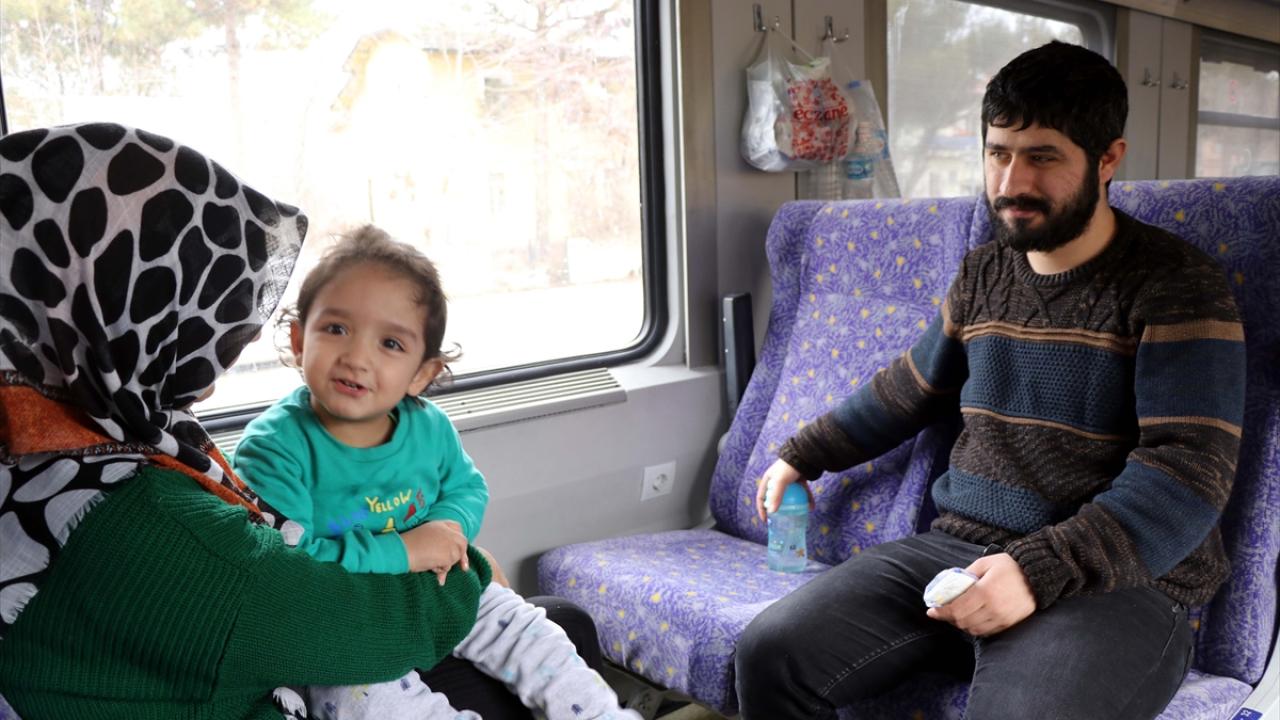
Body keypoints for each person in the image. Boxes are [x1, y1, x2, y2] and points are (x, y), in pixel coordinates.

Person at [0, 123, 605, 720]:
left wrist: (451, 532)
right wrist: (468, 566)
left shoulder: (64, 446)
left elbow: (459, 491)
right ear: (131, 308)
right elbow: (316, 609)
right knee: (553, 627)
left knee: (557, 628)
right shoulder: (160, 513)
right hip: (337, 637)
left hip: (322, 621)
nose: (236, 336)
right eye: (216, 311)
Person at [735, 41, 1245, 720]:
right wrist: (802, 454)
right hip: (959, 548)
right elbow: (909, 388)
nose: (1011, 183)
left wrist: (1035, 570)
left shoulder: (1177, 283)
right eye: (998, 153)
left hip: (1116, 581)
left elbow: (1188, 471)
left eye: (1042, 158)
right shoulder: (984, 274)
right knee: (771, 653)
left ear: (1108, 159)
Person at [232, 226, 640, 720]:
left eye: (389, 343)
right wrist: (404, 550)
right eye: (336, 329)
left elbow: (466, 487)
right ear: (299, 340)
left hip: (436, 588)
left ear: (422, 374)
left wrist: (448, 529)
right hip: (345, 623)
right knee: (370, 701)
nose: (357, 357)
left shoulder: (428, 427)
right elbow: (287, 571)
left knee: (538, 638)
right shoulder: (273, 449)